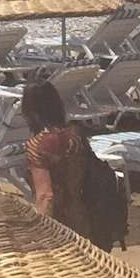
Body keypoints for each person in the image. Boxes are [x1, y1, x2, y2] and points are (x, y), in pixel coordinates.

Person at [21, 78, 128, 251]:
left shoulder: (36, 146)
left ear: (29, 111)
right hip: (83, 215)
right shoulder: (76, 135)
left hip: (57, 224)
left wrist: (37, 234)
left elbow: (46, 196)